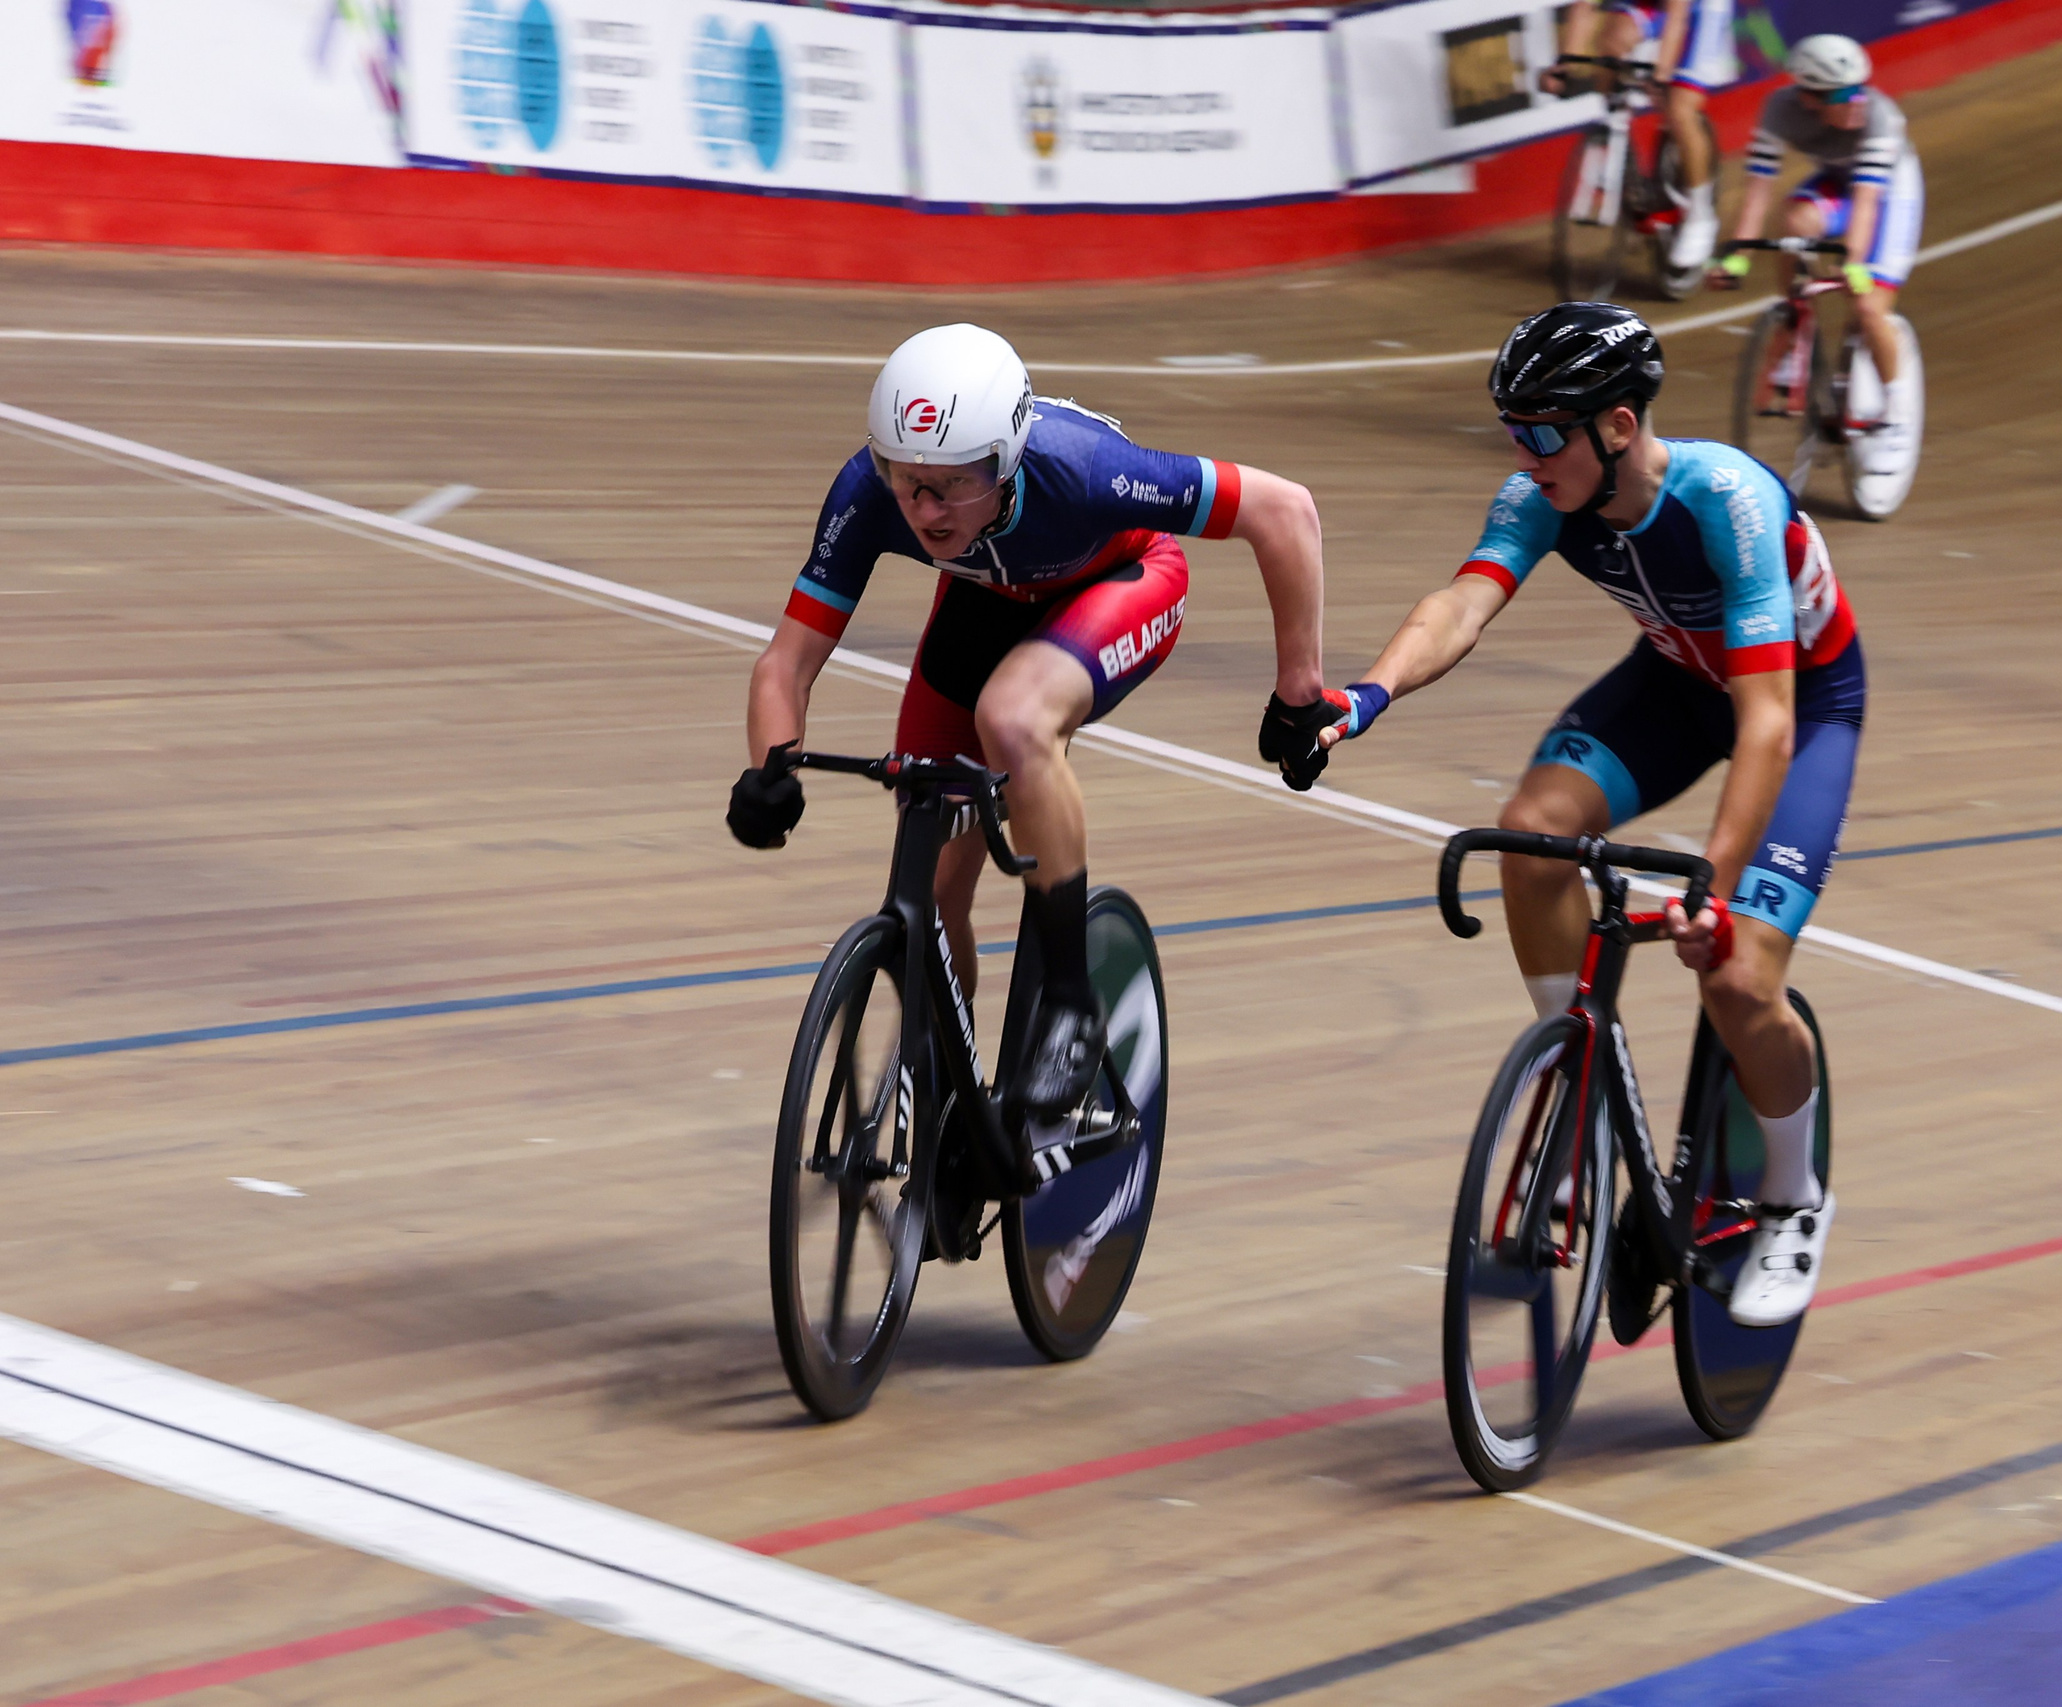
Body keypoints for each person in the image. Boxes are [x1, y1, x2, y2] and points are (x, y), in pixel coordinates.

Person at [1288, 303, 1864, 1327]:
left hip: (1801, 702)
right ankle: (1573, 1082)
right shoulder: (1540, 496)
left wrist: (1715, 895)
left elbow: (1767, 723)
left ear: (1620, 427)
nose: (1525, 452)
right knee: (1532, 830)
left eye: (1544, 430)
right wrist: (1361, 697)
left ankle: (1793, 1198)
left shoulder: (1726, 498)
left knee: (1735, 976)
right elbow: (1460, 604)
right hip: (1679, 686)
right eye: (1515, 429)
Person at [730, 323, 1332, 1132]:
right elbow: (786, 664)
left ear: (1007, 461)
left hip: (1124, 579)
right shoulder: (869, 493)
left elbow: (1284, 511)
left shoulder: (1087, 472)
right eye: (904, 481)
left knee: (1012, 717)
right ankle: (951, 1095)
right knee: (932, 886)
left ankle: (1072, 1006)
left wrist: (1299, 692)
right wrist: (772, 768)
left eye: (949, 485)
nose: (923, 509)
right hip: (988, 602)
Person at [1711, 32, 1922, 463]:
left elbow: (1866, 202)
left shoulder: (1880, 117)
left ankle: (1896, 412)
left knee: (1867, 309)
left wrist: (1856, 262)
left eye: (1857, 90)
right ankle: (1794, 327)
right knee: (1794, 224)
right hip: (1838, 183)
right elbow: (1757, 193)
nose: (1856, 102)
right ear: (1809, 97)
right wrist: (1736, 255)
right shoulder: (1780, 109)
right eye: (1843, 95)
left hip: (1888, 192)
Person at [1543, 0, 1735, 271]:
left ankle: (1700, 215)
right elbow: (1583, 7)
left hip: (1699, 8)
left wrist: (1662, 74)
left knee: (1679, 107)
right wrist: (1562, 66)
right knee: (1611, 42)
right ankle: (1615, 132)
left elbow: (1676, 18)